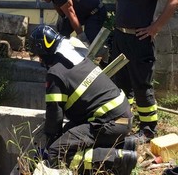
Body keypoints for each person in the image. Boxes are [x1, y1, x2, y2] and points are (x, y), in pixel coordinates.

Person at [29, 24, 137, 175]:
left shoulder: (55, 74)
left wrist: (50, 143)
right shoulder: (76, 57)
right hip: (122, 118)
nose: (39, 59)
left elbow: (55, 116)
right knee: (68, 133)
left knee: (56, 153)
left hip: (109, 122)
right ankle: (124, 146)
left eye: (38, 55)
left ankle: (118, 160)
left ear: (43, 52)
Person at [100, 0, 178, 143]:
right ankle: (126, 120)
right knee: (121, 83)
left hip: (139, 39)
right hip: (120, 38)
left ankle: (149, 128)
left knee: (142, 84)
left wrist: (156, 27)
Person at [32, 0, 107, 47]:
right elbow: (60, 9)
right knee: (61, 36)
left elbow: (72, 15)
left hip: (95, 13)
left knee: (88, 45)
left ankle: (103, 53)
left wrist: (82, 37)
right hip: (83, 14)